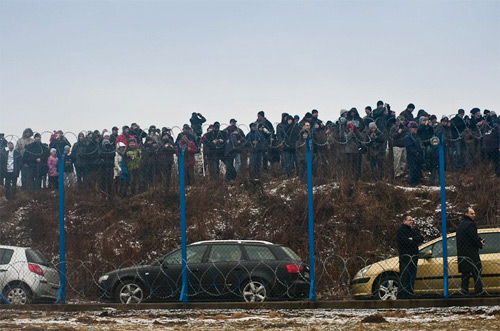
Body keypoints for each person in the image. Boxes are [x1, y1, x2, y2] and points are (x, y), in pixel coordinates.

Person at [456, 207, 484, 296]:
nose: (474, 215)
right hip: (472, 254)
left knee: (465, 275)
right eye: (472, 213)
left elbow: (466, 238)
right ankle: (479, 292)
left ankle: (464, 292)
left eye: (474, 213)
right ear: (466, 214)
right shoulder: (471, 224)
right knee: (477, 274)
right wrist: (480, 243)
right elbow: (473, 238)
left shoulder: (460, 225)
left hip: (462, 254)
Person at [396, 215, 423, 299]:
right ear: (404, 221)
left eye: (412, 220)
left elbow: (421, 238)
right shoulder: (401, 231)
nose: (411, 221)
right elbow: (405, 242)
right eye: (409, 220)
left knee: (412, 274)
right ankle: (402, 293)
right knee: (405, 275)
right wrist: (413, 240)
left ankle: (410, 292)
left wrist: (412, 239)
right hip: (405, 256)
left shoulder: (413, 230)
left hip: (414, 256)